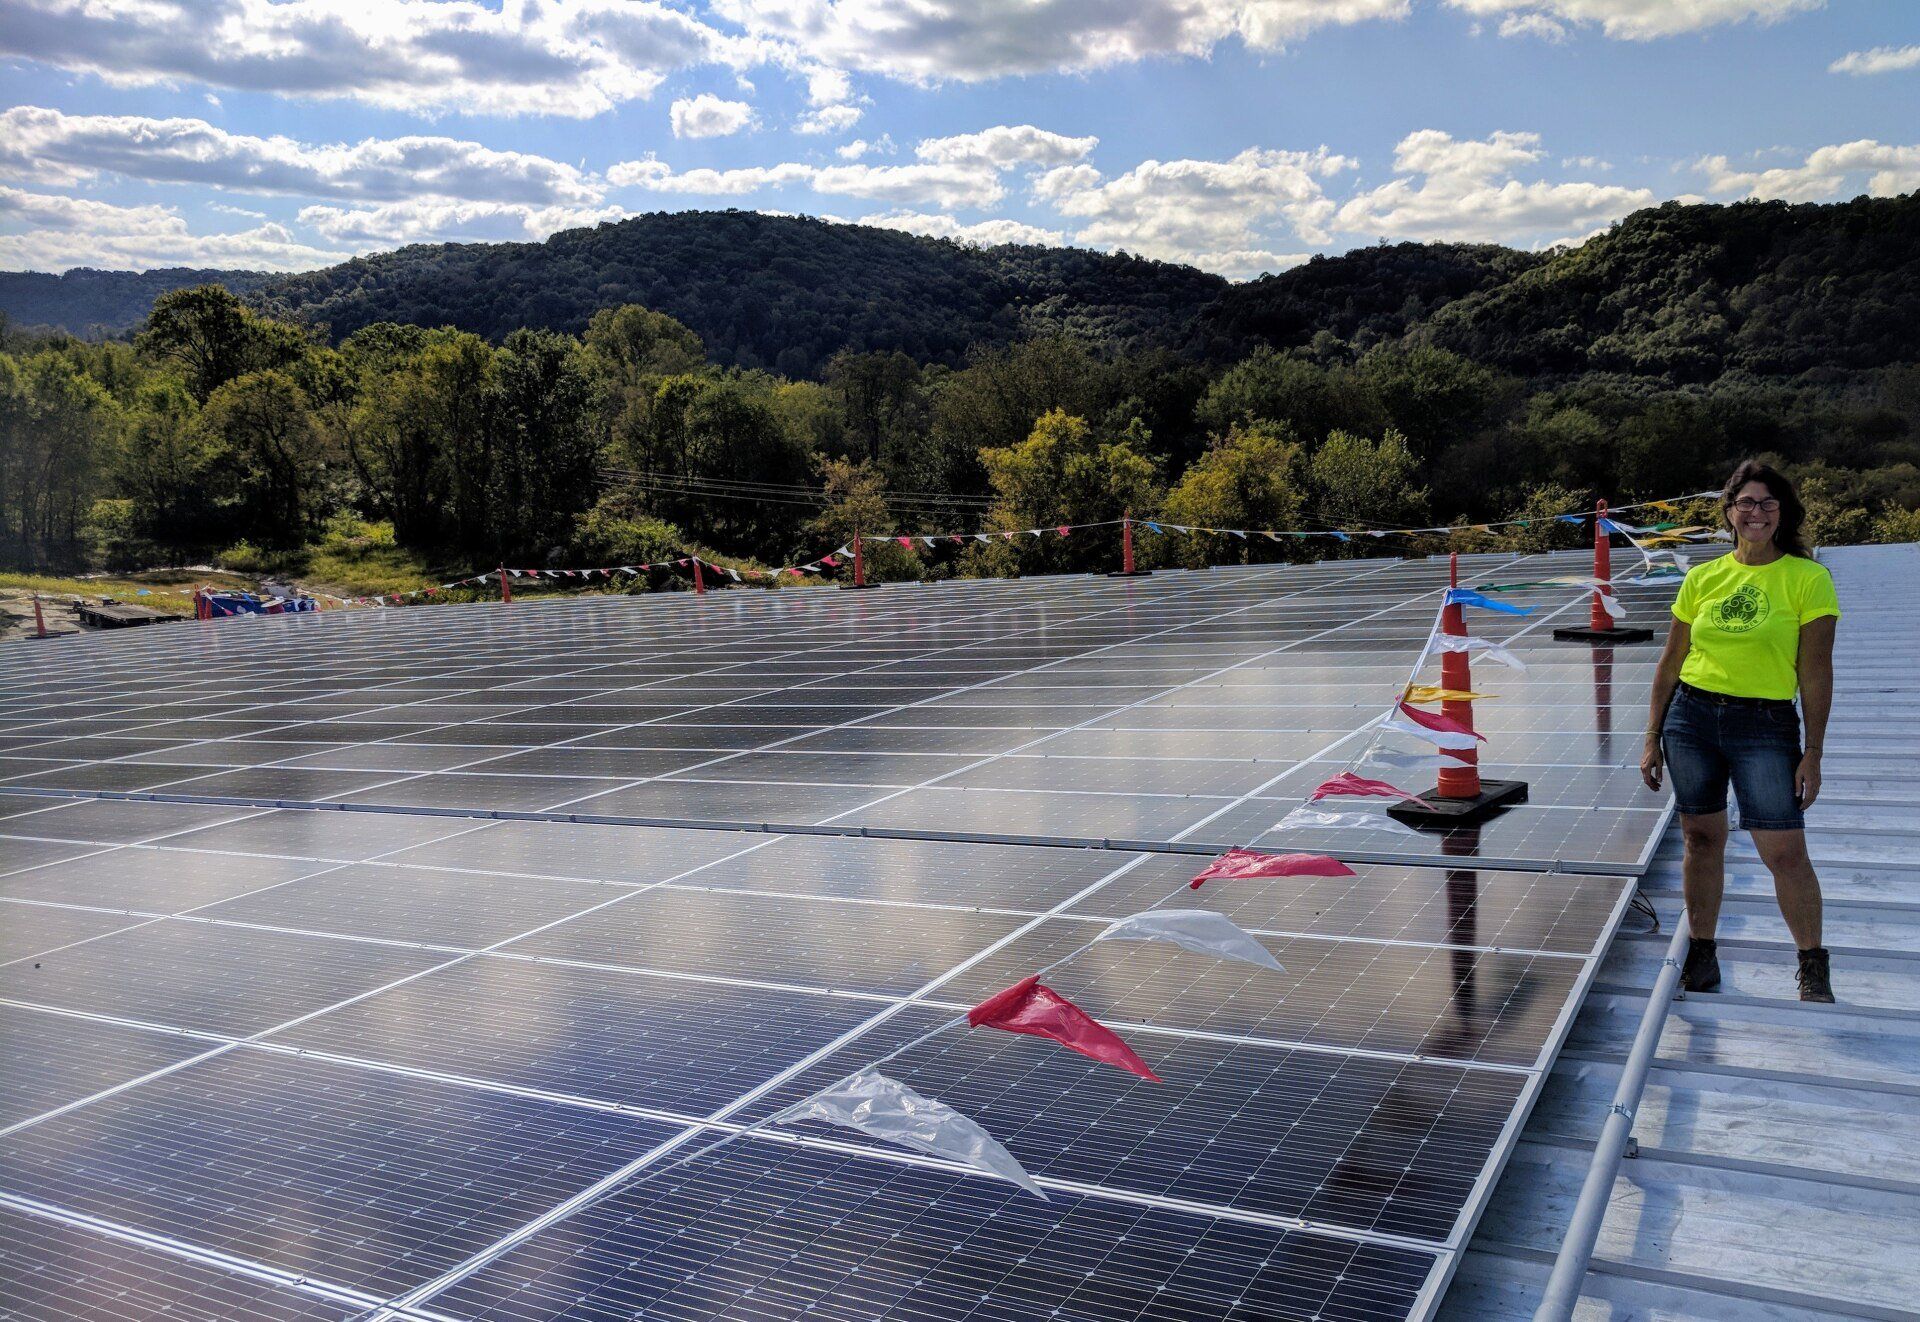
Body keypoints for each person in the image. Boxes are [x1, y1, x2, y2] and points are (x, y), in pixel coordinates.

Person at [1640, 461, 1839, 1002]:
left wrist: (1813, 751)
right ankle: (1702, 955)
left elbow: (1815, 670)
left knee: (1784, 850)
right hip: (1692, 719)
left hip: (1765, 724)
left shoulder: (1807, 578)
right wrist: (1652, 734)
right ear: (1729, 511)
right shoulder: (1703, 577)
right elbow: (1672, 659)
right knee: (1701, 839)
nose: (1757, 513)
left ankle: (1812, 964)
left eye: (1768, 504)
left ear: (1782, 513)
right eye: (1747, 503)